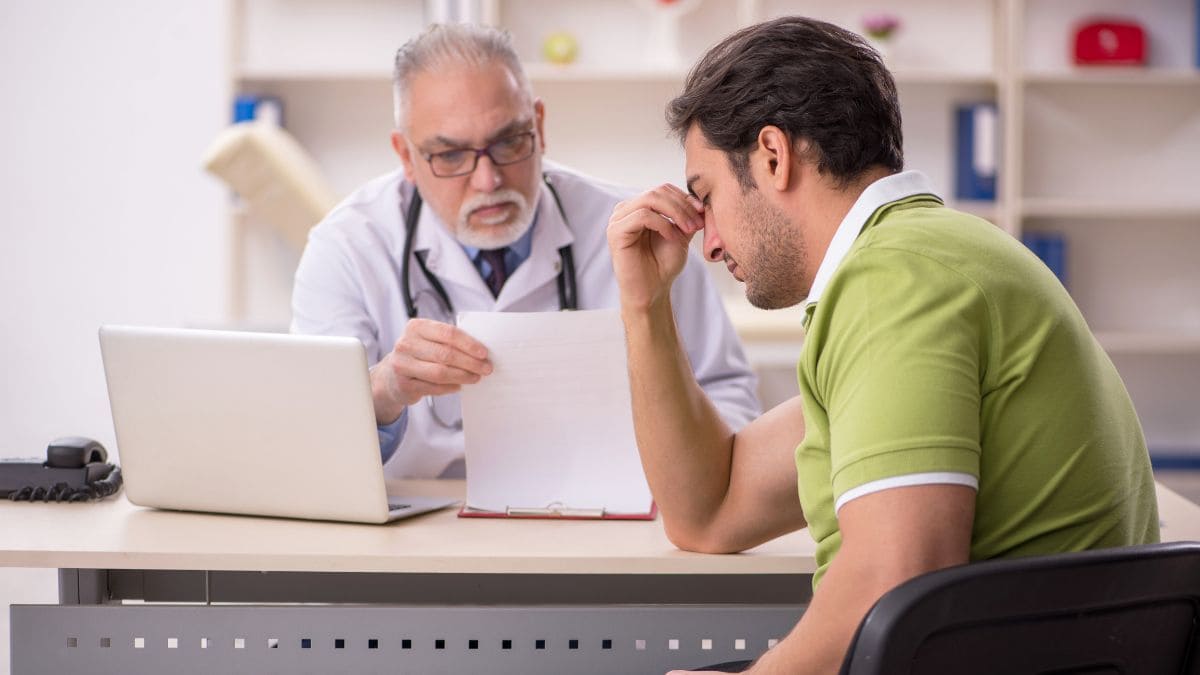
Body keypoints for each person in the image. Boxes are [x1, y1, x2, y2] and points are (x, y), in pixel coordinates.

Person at [605, 16, 1160, 674]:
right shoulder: (930, 257)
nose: (711, 241)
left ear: (773, 157)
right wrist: (645, 305)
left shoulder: (893, 278)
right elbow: (709, 509)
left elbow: (897, 576)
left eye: (709, 196)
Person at [291, 23, 760, 479]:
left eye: (509, 141)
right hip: (418, 536)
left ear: (538, 125)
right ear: (405, 157)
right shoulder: (348, 247)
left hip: (604, 525)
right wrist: (385, 388)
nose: (488, 180)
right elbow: (308, 446)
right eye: (450, 155)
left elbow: (729, 399)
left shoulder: (644, 235)